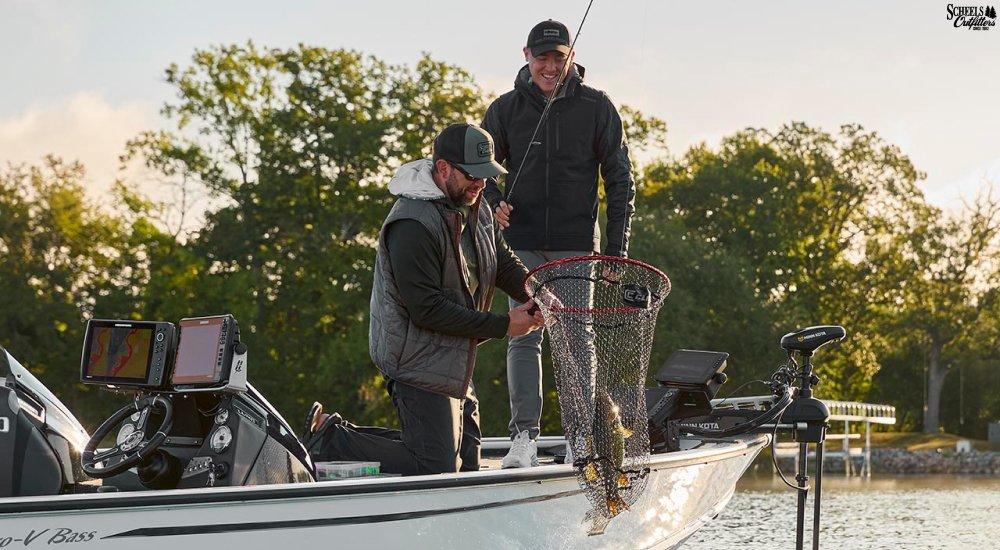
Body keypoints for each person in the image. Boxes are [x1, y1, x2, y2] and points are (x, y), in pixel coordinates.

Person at [302, 123, 544, 475]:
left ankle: (335, 436)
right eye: (472, 175)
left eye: (486, 176)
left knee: (468, 466)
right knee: (437, 466)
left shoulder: (475, 204)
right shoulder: (411, 223)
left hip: (454, 355)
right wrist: (505, 325)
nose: (480, 183)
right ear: (443, 168)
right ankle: (331, 440)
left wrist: (537, 293)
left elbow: (501, 260)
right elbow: (427, 310)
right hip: (415, 359)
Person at [481, 19, 637, 468]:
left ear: (570, 58)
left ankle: (580, 439)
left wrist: (616, 248)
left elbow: (621, 178)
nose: (550, 67)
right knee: (523, 337)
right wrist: (494, 202)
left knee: (574, 339)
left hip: (575, 245)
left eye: (558, 58)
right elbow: (483, 169)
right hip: (520, 245)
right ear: (526, 55)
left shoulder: (597, 107)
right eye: (542, 57)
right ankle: (523, 438)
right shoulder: (504, 109)